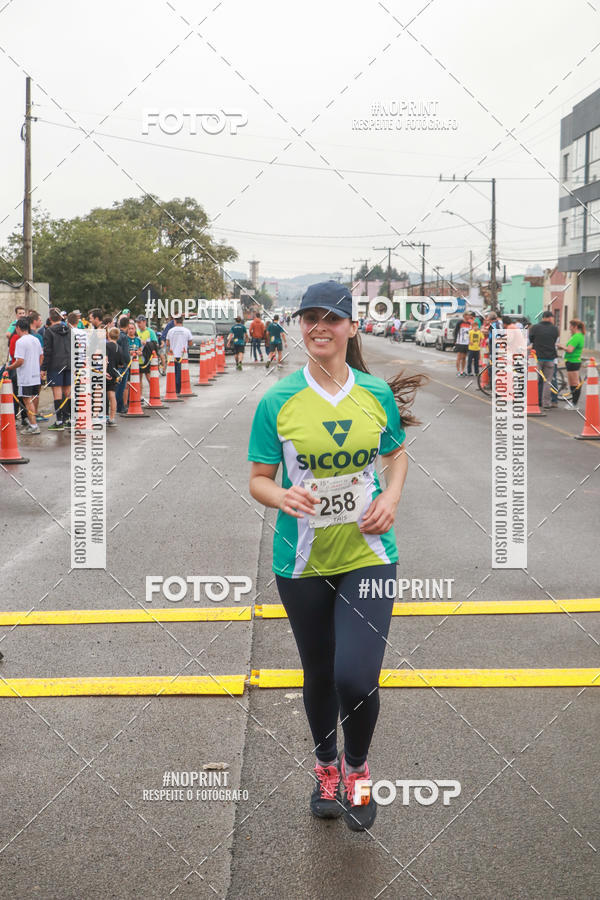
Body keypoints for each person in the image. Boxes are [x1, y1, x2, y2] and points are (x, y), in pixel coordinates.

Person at [247, 281, 424, 831]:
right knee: (320, 672)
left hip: (369, 554)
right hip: (300, 561)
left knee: (356, 675)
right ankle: (326, 768)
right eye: (310, 318)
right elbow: (258, 479)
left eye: (332, 318)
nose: (319, 327)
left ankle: (357, 767)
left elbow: (396, 457)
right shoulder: (278, 400)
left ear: (352, 327)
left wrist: (390, 497)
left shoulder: (374, 394)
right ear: (301, 327)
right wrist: (284, 496)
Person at [6, 317, 43, 434]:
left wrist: (10, 367)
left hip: (25, 377)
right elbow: (41, 356)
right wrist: (36, 366)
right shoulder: (35, 339)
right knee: (32, 398)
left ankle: (33, 426)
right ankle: (33, 423)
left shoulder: (20, 341)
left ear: (18, 328)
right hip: (35, 375)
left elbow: (20, 361)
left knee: (27, 401)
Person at [42, 308, 72, 430]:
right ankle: (69, 419)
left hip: (55, 364)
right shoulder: (69, 330)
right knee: (68, 392)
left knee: (57, 393)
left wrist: (43, 368)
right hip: (69, 363)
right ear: (61, 318)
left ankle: (59, 421)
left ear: (50, 319)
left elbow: (48, 351)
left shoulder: (49, 331)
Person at [529, 310, 559, 409]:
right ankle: (546, 403)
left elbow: (531, 339)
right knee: (548, 381)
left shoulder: (535, 327)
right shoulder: (555, 329)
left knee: (534, 380)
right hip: (550, 358)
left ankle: (534, 401)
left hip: (537, 358)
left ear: (543, 317)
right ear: (550, 318)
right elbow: (554, 340)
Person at [558, 319, 586, 408]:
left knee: (574, 384)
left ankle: (574, 403)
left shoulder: (577, 337)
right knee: (572, 383)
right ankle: (573, 403)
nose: (569, 328)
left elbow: (570, 349)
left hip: (573, 361)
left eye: (570, 326)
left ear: (575, 327)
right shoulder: (577, 336)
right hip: (572, 361)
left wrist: (561, 346)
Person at [165, 315, 192, 394]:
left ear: (175, 321)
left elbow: (167, 343)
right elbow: (190, 343)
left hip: (173, 355)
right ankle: (179, 388)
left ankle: (174, 388)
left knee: (173, 372)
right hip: (183, 356)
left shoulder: (171, 331)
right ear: (182, 321)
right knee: (181, 373)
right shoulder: (186, 331)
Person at [105, 327, 124, 426]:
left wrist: (104, 371)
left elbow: (105, 358)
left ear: (108, 335)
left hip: (106, 372)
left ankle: (101, 416)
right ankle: (112, 418)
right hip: (114, 372)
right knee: (112, 395)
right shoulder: (119, 348)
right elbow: (121, 363)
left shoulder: (107, 346)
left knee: (101, 395)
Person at [136, 314, 159, 387]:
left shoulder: (150, 331)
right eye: (137, 322)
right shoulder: (136, 331)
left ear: (144, 322)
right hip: (138, 357)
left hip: (147, 358)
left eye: (140, 322)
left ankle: (154, 392)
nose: (138, 324)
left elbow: (156, 344)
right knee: (138, 378)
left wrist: (146, 343)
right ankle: (140, 396)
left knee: (148, 376)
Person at [115, 316, 131, 413]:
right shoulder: (124, 337)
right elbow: (125, 353)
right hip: (123, 365)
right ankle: (120, 407)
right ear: (128, 325)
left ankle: (117, 406)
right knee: (121, 387)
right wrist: (128, 362)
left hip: (116, 364)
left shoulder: (117, 335)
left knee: (117, 387)